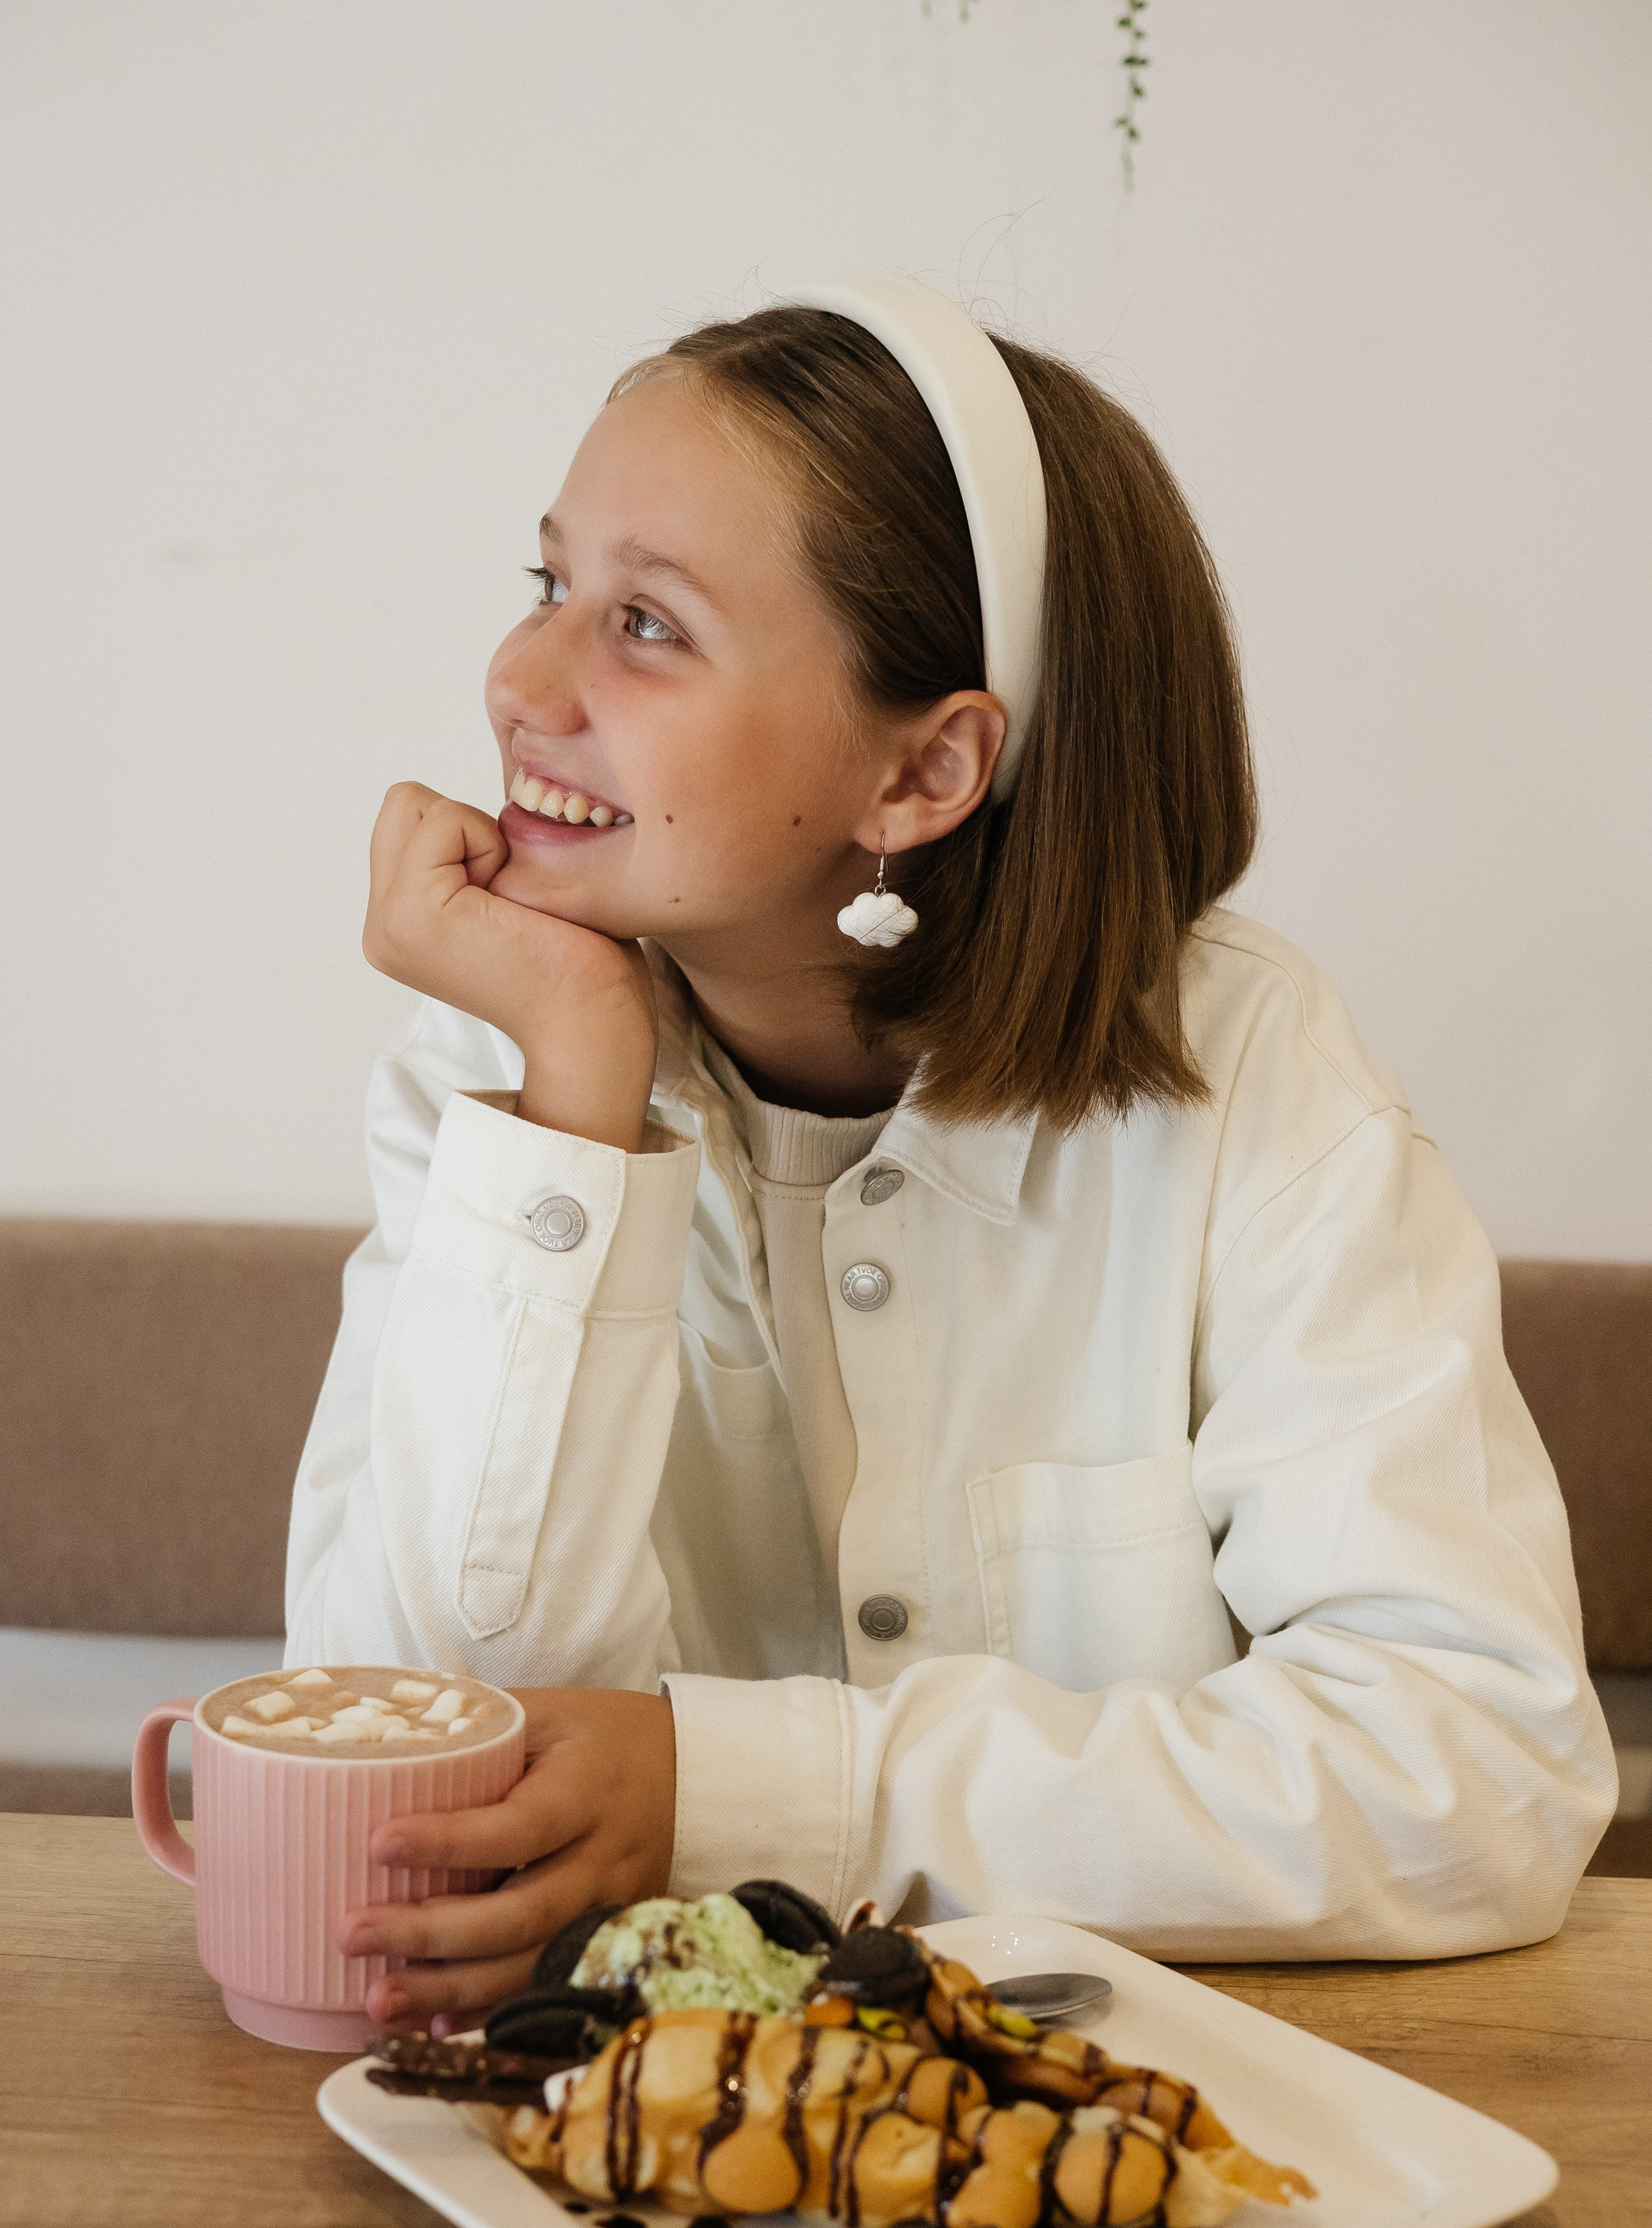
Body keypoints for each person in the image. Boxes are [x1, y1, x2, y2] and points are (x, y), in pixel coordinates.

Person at [287, 276, 1615, 2034]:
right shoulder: (500, 1072)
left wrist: (734, 1785)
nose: (519, 680)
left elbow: (1478, 1777)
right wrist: (575, 1112)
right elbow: (414, 1776)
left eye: (647, 625)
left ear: (924, 769)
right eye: (548, 584)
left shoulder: (1257, 1085)